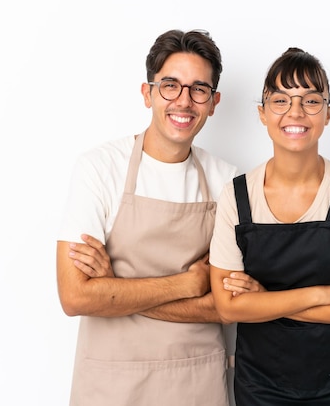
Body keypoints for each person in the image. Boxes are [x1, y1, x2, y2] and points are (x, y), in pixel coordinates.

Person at [56, 29, 247, 406]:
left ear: (213, 102)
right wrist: (189, 284)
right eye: (170, 86)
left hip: (198, 379)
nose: (184, 101)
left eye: (199, 89)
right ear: (148, 93)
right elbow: (76, 295)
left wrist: (114, 289)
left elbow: (226, 306)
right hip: (110, 384)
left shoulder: (228, 183)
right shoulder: (99, 168)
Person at [209, 47, 330, 405]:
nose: (295, 112)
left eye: (310, 100)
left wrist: (264, 302)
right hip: (261, 383)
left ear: (327, 114)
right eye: (281, 100)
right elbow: (228, 307)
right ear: (262, 113)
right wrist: (323, 293)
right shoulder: (237, 195)